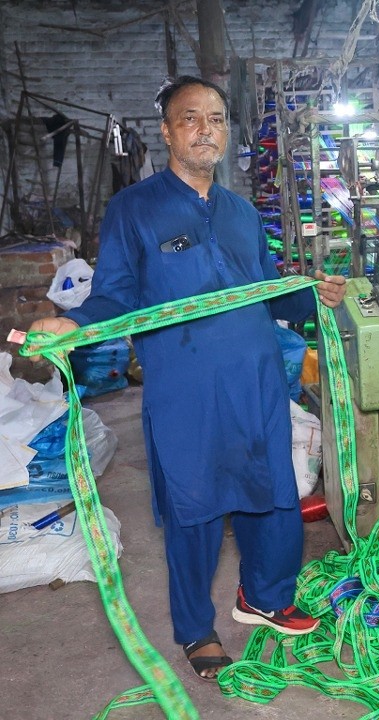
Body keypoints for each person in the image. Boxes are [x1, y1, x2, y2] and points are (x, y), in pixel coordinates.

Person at [27, 76, 347, 682]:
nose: (206, 129)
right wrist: (69, 322)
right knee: (193, 505)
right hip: (185, 384)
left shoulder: (241, 211)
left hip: (255, 378)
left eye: (218, 119)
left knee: (271, 490)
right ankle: (197, 631)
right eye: (192, 118)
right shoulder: (134, 208)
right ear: (169, 131)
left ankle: (265, 597)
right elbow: (116, 295)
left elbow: (270, 293)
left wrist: (315, 297)